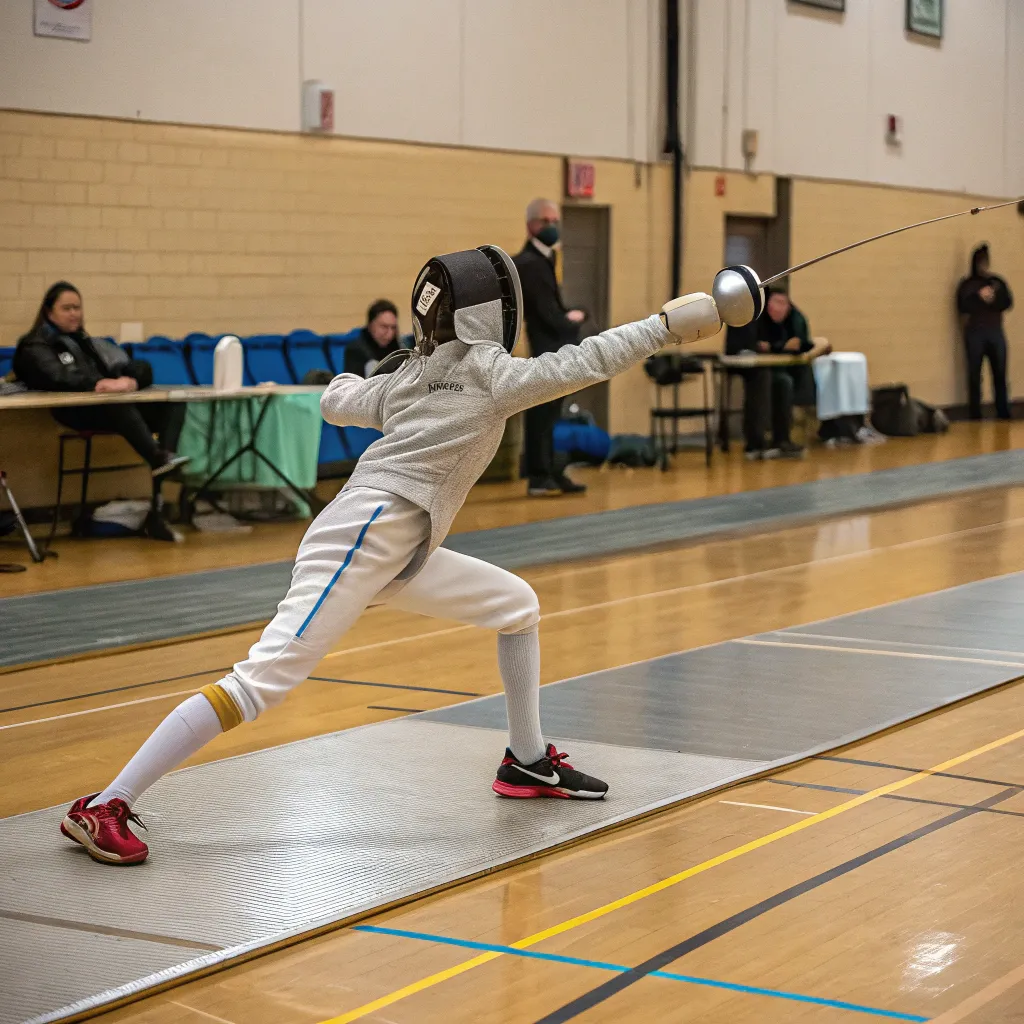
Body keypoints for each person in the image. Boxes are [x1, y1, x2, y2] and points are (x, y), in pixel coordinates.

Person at [58, 244, 725, 865]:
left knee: (516, 605)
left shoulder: (412, 376)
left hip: (399, 543)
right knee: (264, 679)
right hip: (365, 534)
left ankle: (525, 760)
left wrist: (357, 379)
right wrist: (663, 326)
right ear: (489, 313)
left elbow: (337, 400)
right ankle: (106, 803)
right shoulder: (487, 373)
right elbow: (580, 361)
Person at [13, 282, 189, 541]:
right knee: (116, 403)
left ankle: (163, 464)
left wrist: (131, 381)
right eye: (67, 308)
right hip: (74, 411)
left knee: (173, 401)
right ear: (49, 312)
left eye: (78, 308)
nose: (74, 313)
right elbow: (57, 377)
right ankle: (157, 458)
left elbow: (129, 367)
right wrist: (98, 384)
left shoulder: (87, 342)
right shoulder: (33, 345)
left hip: (106, 405)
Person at [513, 198, 588, 496]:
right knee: (542, 413)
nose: (552, 226)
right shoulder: (530, 262)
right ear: (531, 225)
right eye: (546, 221)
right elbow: (547, 314)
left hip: (554, 344)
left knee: (551, 414)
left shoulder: (546, 257)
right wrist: (573, 320)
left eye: (555, 220)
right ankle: (539, 475)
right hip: (547, 348)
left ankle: (550, 471)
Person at [733, 286, 828, 459]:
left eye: (785, 303)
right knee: (763, 380)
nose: (782, 308)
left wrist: (796, 344)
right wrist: (780, 347)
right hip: (751, 367)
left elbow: (801, 343)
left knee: (784, 382)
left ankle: (781, 440)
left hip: (776, 367)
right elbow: (749, 346)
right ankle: (755, 444)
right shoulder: (752, 316)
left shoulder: (791, 318)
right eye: (777, 302)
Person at [956, 243, 1013, 420]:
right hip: (975, 332)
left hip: (995, 331)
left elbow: (1008, 302)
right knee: (974, 373)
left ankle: (1002, 410)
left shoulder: (997, 281)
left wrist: (993, 299)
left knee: (1000, 372)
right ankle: (975, 412)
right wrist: (979, 297)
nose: (983, 265)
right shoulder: (967, 285)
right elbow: (962, 307)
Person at [343, 299, 407, 378]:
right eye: (384, 327)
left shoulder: (399, 349)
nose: (389, 333)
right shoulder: (356, 350)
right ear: (370, 325)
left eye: (393, 328)